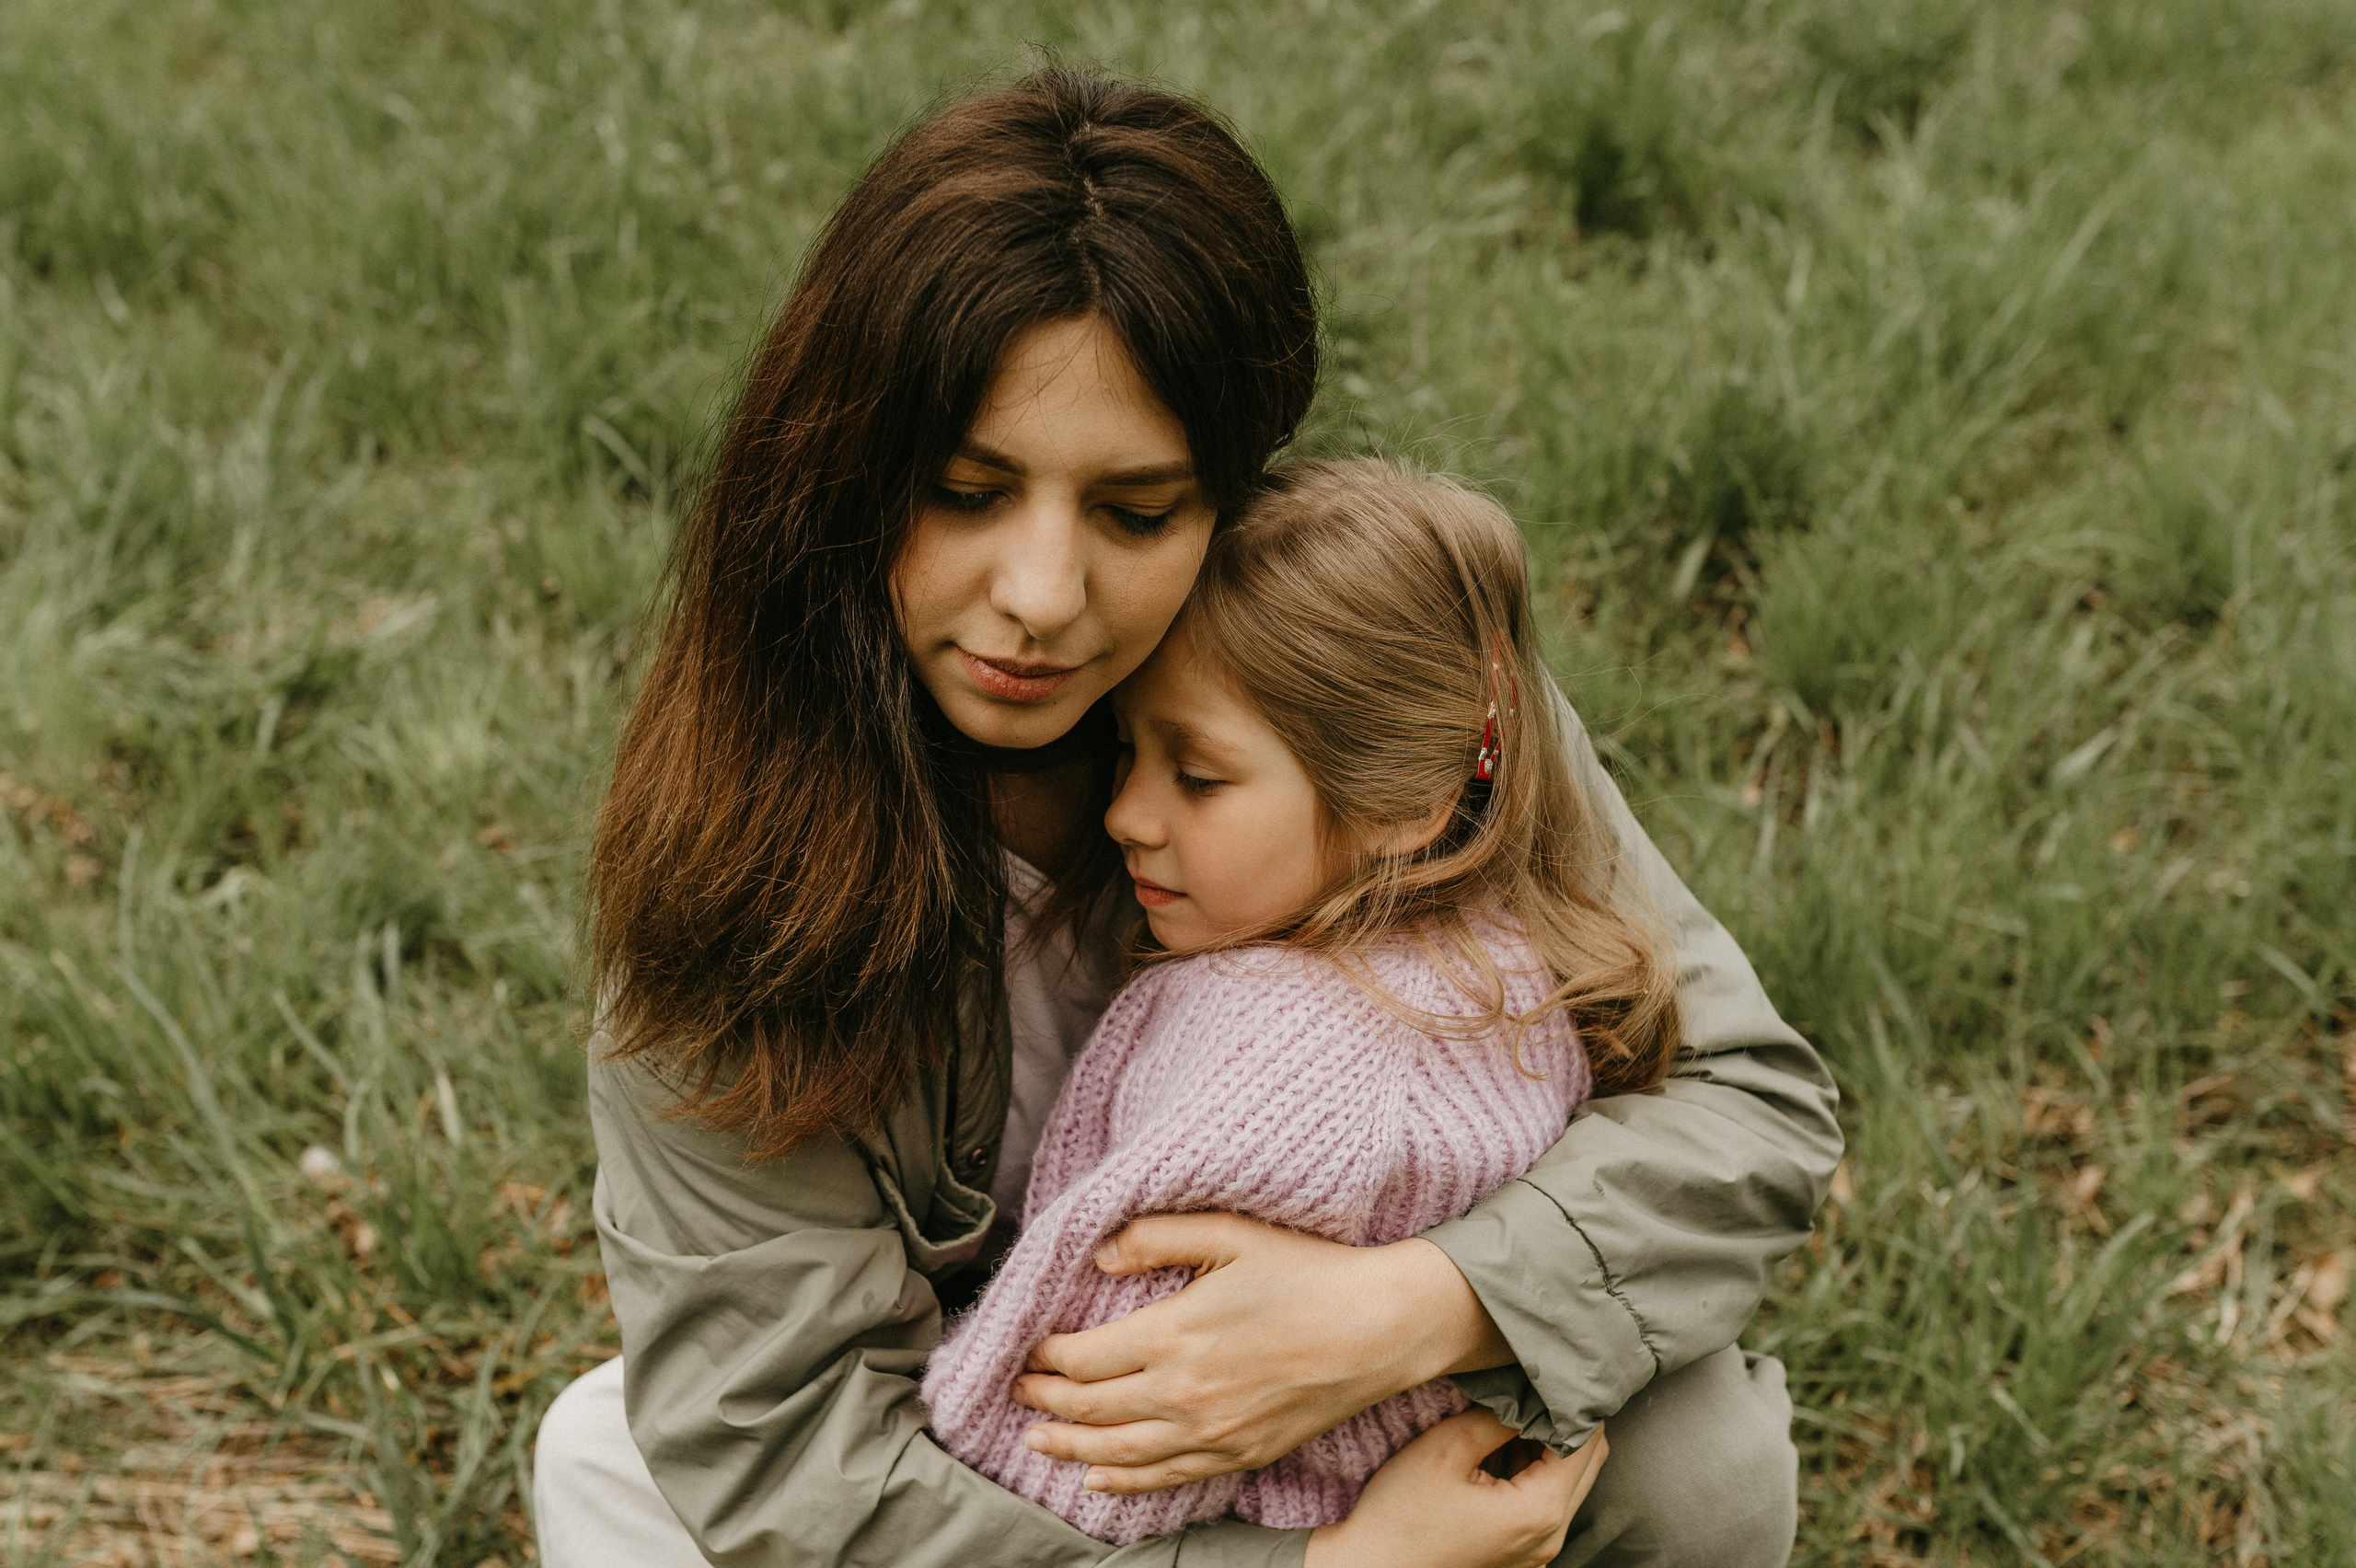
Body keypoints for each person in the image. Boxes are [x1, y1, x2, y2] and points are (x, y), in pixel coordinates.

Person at [532, 67, 1840, 1568]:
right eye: (966, 490)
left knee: (1698, 1465)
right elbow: (791, 1448)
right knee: (618, 1462)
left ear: (1229, 486)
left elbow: (1745, 1108)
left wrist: (1412, 1306)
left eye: (1137, 510)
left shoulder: (1374, 682)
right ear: (846, 468)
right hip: (1001, 1455)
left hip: (1363, 1393)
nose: (1040, 596)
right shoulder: (736, 863)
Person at [925, 456, 1683, 1548]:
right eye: (1129, 752)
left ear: (1403, 806)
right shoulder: (1499, 959)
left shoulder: (1277, 1070)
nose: (1126, 812)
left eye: (1197, 776)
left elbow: (1088, 1426)